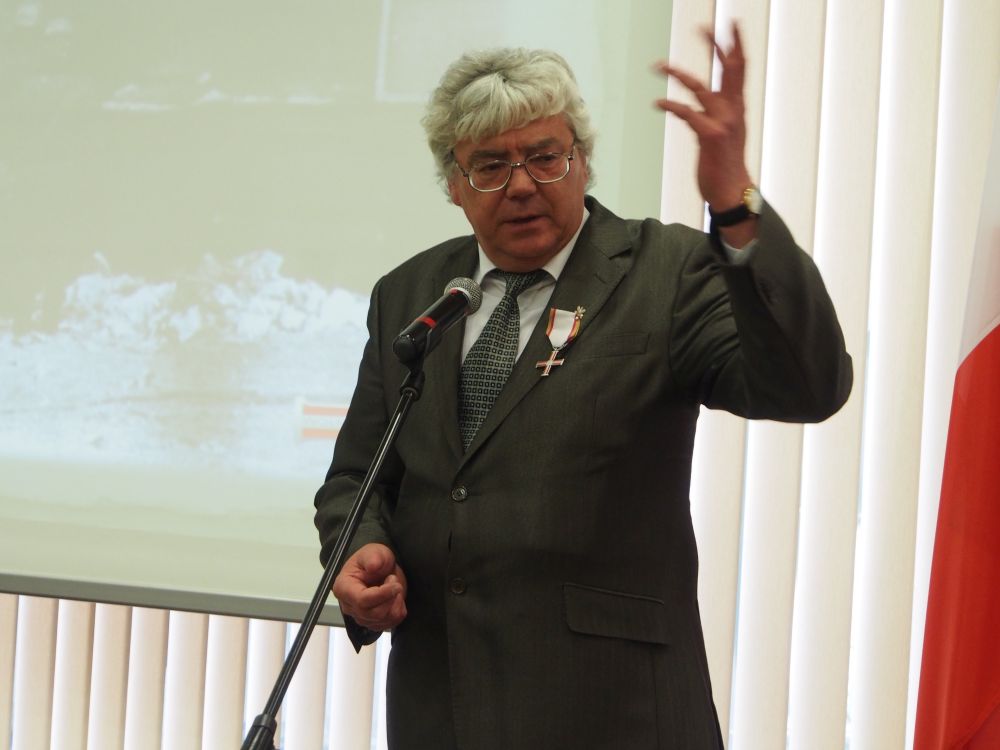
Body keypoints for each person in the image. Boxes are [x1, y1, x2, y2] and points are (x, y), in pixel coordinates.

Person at [314, 24, 852, 750]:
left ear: (583, 161)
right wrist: (358, 551)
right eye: (491, 166)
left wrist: (736, 205)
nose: (522, 184)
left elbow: (807, 385)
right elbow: (357, 477)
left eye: (545, 156)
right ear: (454, 185)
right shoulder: (411, 292)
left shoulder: (667, 271)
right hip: (444, 705)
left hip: (613, 709)